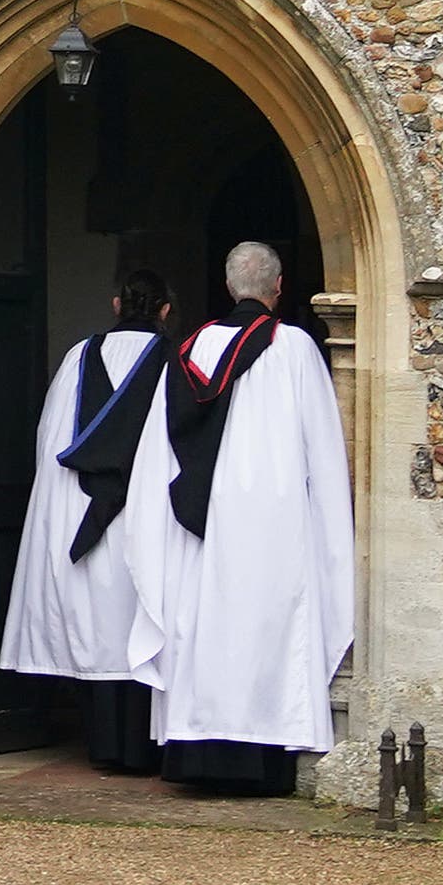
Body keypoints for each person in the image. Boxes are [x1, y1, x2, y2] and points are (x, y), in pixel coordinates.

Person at [116, 240, 356, 797]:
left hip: (196, 524)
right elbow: (323, 448)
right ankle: (263, 761)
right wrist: (330, 527)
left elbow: (157, 450)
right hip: (273, 521)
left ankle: (196, 758)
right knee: (268, 630)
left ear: (228, 288)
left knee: (201, 631)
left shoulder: (190, 350)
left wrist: (164, 516)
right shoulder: (294, 348)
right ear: (279, 288)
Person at [2, 269, 174, 775]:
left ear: (117, 303)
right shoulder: (172, 362)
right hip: (142, 513)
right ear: (165, 310)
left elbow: (50, 436)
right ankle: (145, 746)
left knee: (97, 626)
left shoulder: (80, 356)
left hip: (81, 508)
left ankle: (102, 746)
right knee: (138, 623)